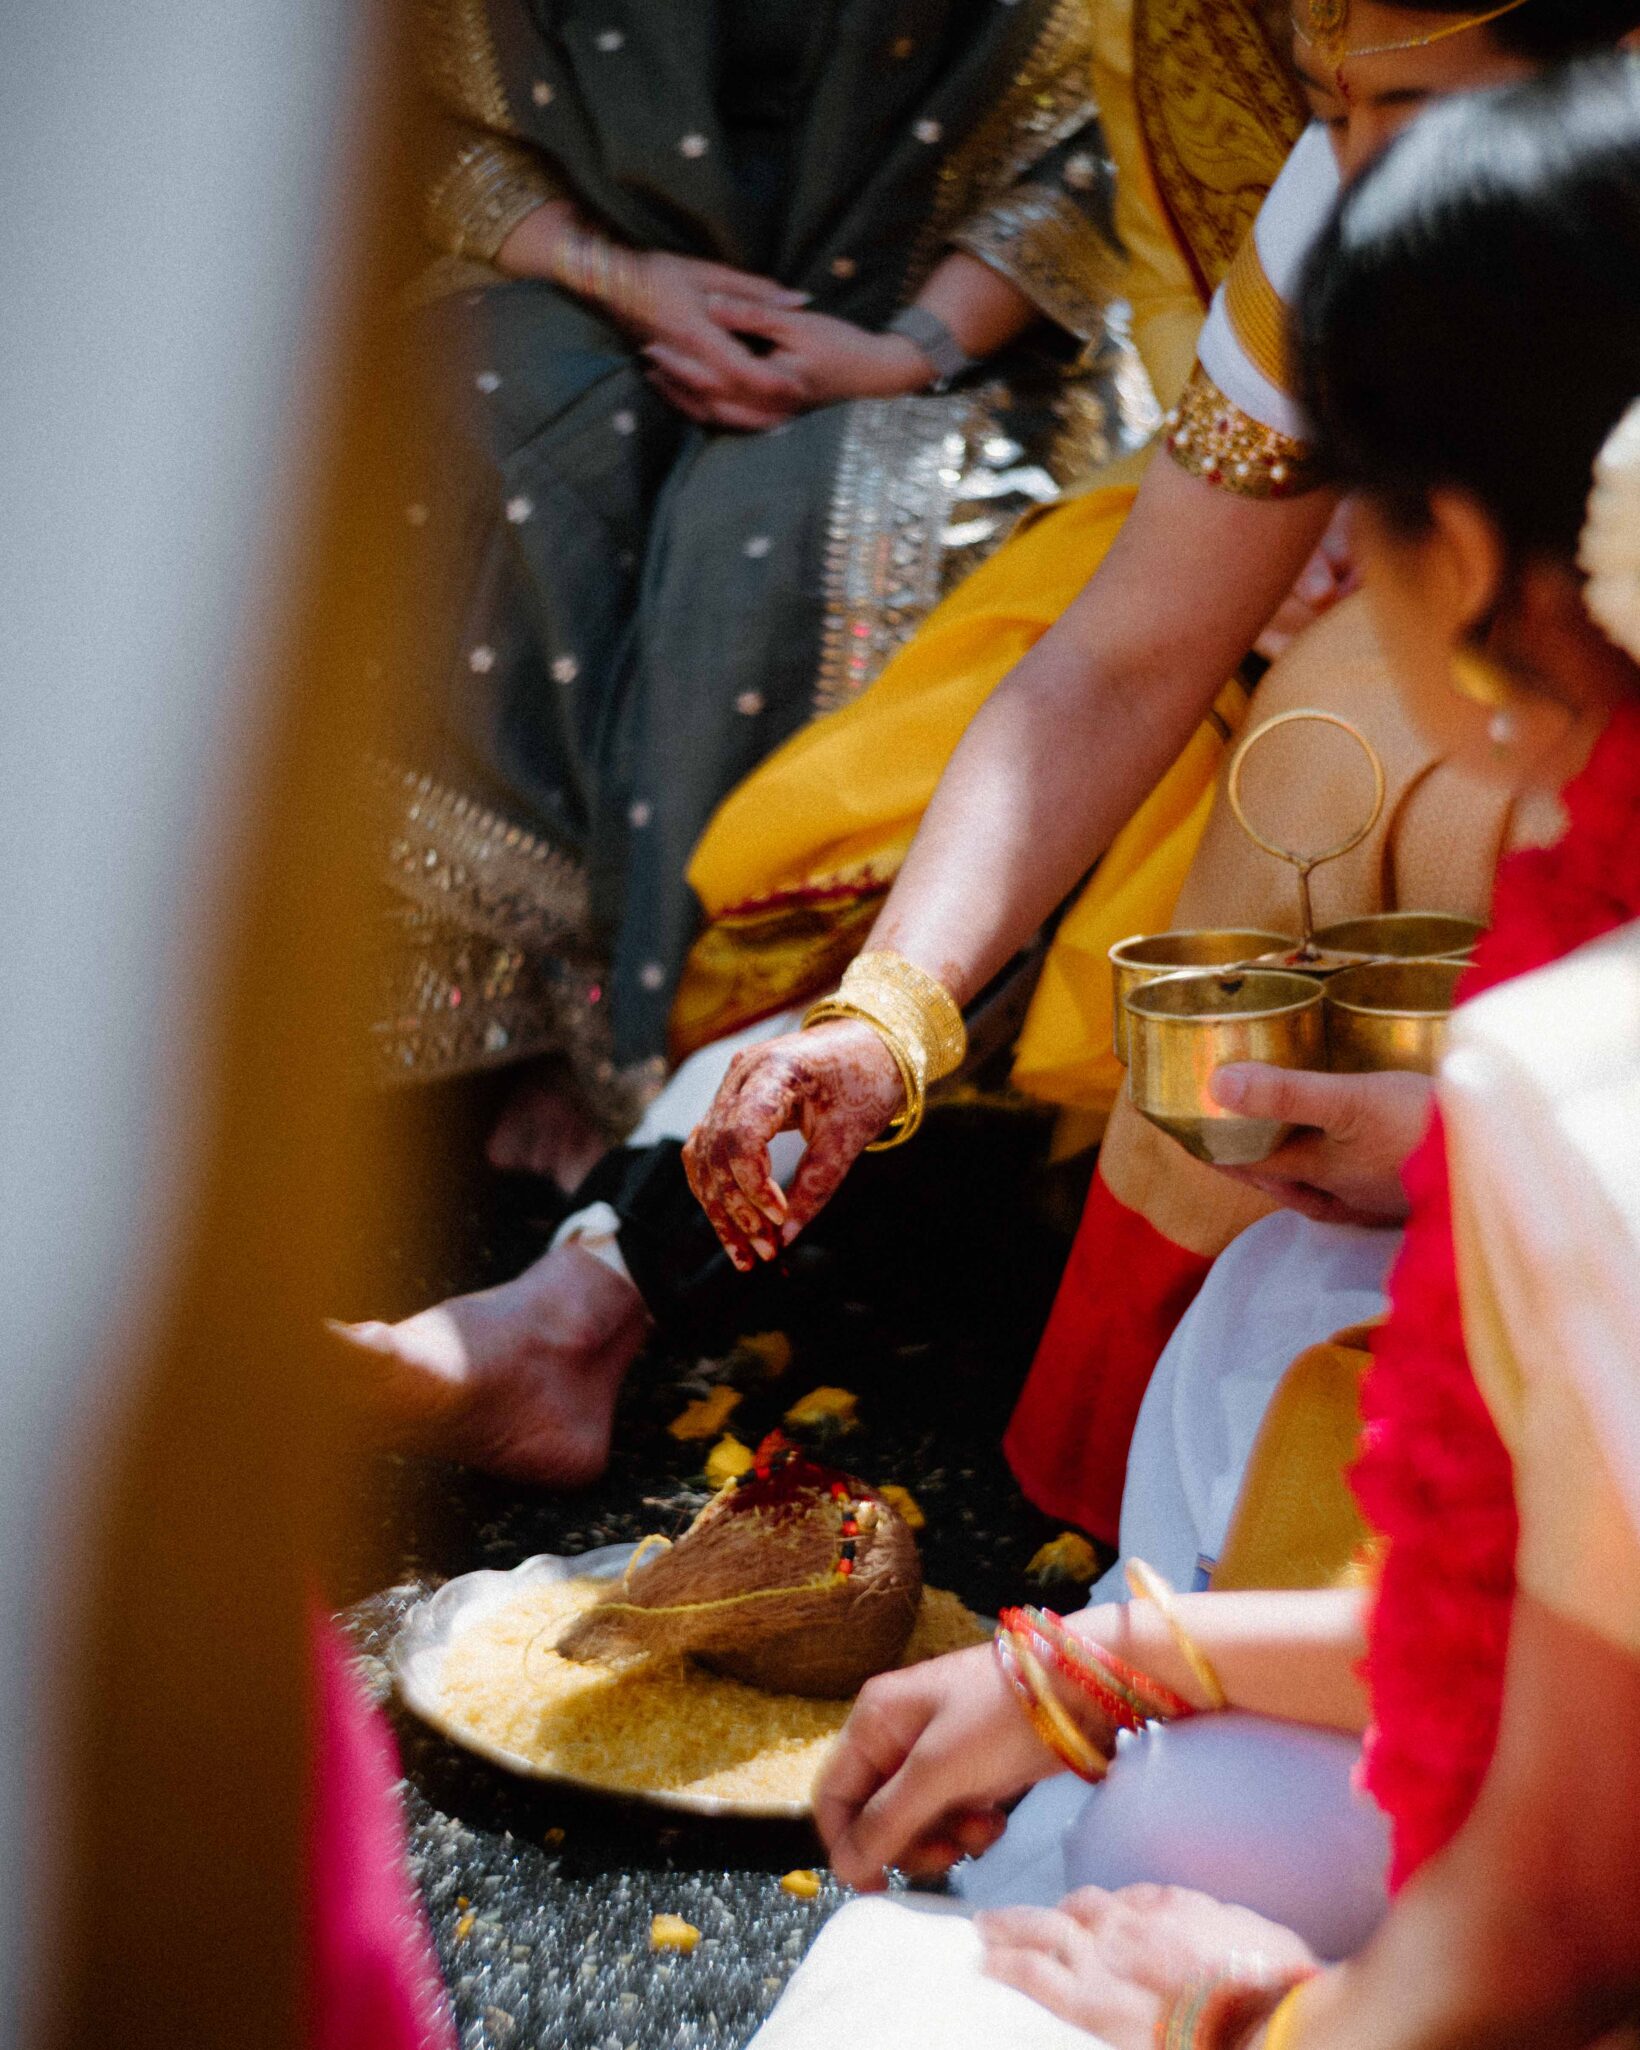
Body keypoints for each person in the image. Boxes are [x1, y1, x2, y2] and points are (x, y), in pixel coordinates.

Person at [747, 55, 1640, 2050]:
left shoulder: (1584, 1087)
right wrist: (888, 1009)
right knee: (1255, 1321)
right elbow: (1125, 644)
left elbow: (1570, 1871)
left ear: (1461, 568)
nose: (1352, 99)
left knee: (1131, 1859)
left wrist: (1238, 2005)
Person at [685, 0, 1640, 1542]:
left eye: (1400, 112)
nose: (1340, 176)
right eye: (1327, 109)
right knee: (1331, 726)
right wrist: (886, 1019)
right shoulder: (1354, 198)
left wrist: (1495, 1138)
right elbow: (1125, 654)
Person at [373, 0, 1135, 1144]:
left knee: (784, 543)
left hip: (939, 330)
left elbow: (1109, 134)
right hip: (581, 272)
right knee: (476, 418)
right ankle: (556, 1035)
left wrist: (906, 350)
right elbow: (397, 110)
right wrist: (616, 273)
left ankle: (716, 1083)